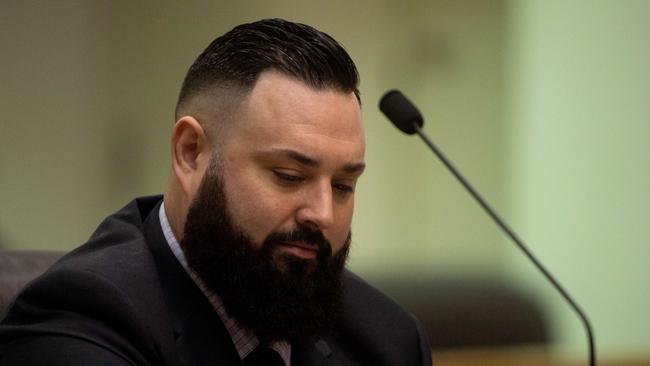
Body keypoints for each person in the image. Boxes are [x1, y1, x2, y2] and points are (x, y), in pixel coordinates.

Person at [0, 18, 431, 365]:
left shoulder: (387, 339)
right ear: (190, 154)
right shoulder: (83, 318)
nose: (322, 213)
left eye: (343, 185)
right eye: (288, 175)